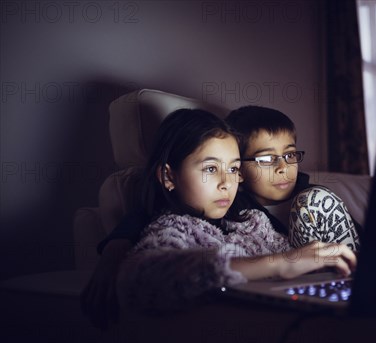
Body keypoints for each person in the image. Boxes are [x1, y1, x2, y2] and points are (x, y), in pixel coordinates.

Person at [115, 108, 356, 313]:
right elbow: (141, 275)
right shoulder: (174, 228)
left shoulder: (253, 220)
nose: (226, 183)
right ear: (168, 175)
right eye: (210, 169)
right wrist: (278, 264)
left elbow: (294, 260)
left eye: (233, 169)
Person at [225, 105, 361, 251]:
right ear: (238, 170)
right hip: (288, 270)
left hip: (345, 270)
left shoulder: (320, 201)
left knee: (315, 199)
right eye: (266, 159)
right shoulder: (232, 213)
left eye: (289, 155)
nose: (283, 167)